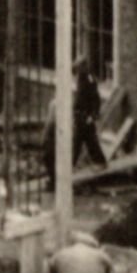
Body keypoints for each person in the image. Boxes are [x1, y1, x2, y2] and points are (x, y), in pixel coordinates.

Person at [42, 56, 109, 190]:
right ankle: (90, 162)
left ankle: (96, 162)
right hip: (80, 115)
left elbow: (95, 99)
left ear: (84, 67)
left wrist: (92, 115)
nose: (77, 71)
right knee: (83, 141)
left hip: (85, 115)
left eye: (78, 68)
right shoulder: (81, 78)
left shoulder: (89, 79)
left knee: (84, 141)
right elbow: (80, 97)